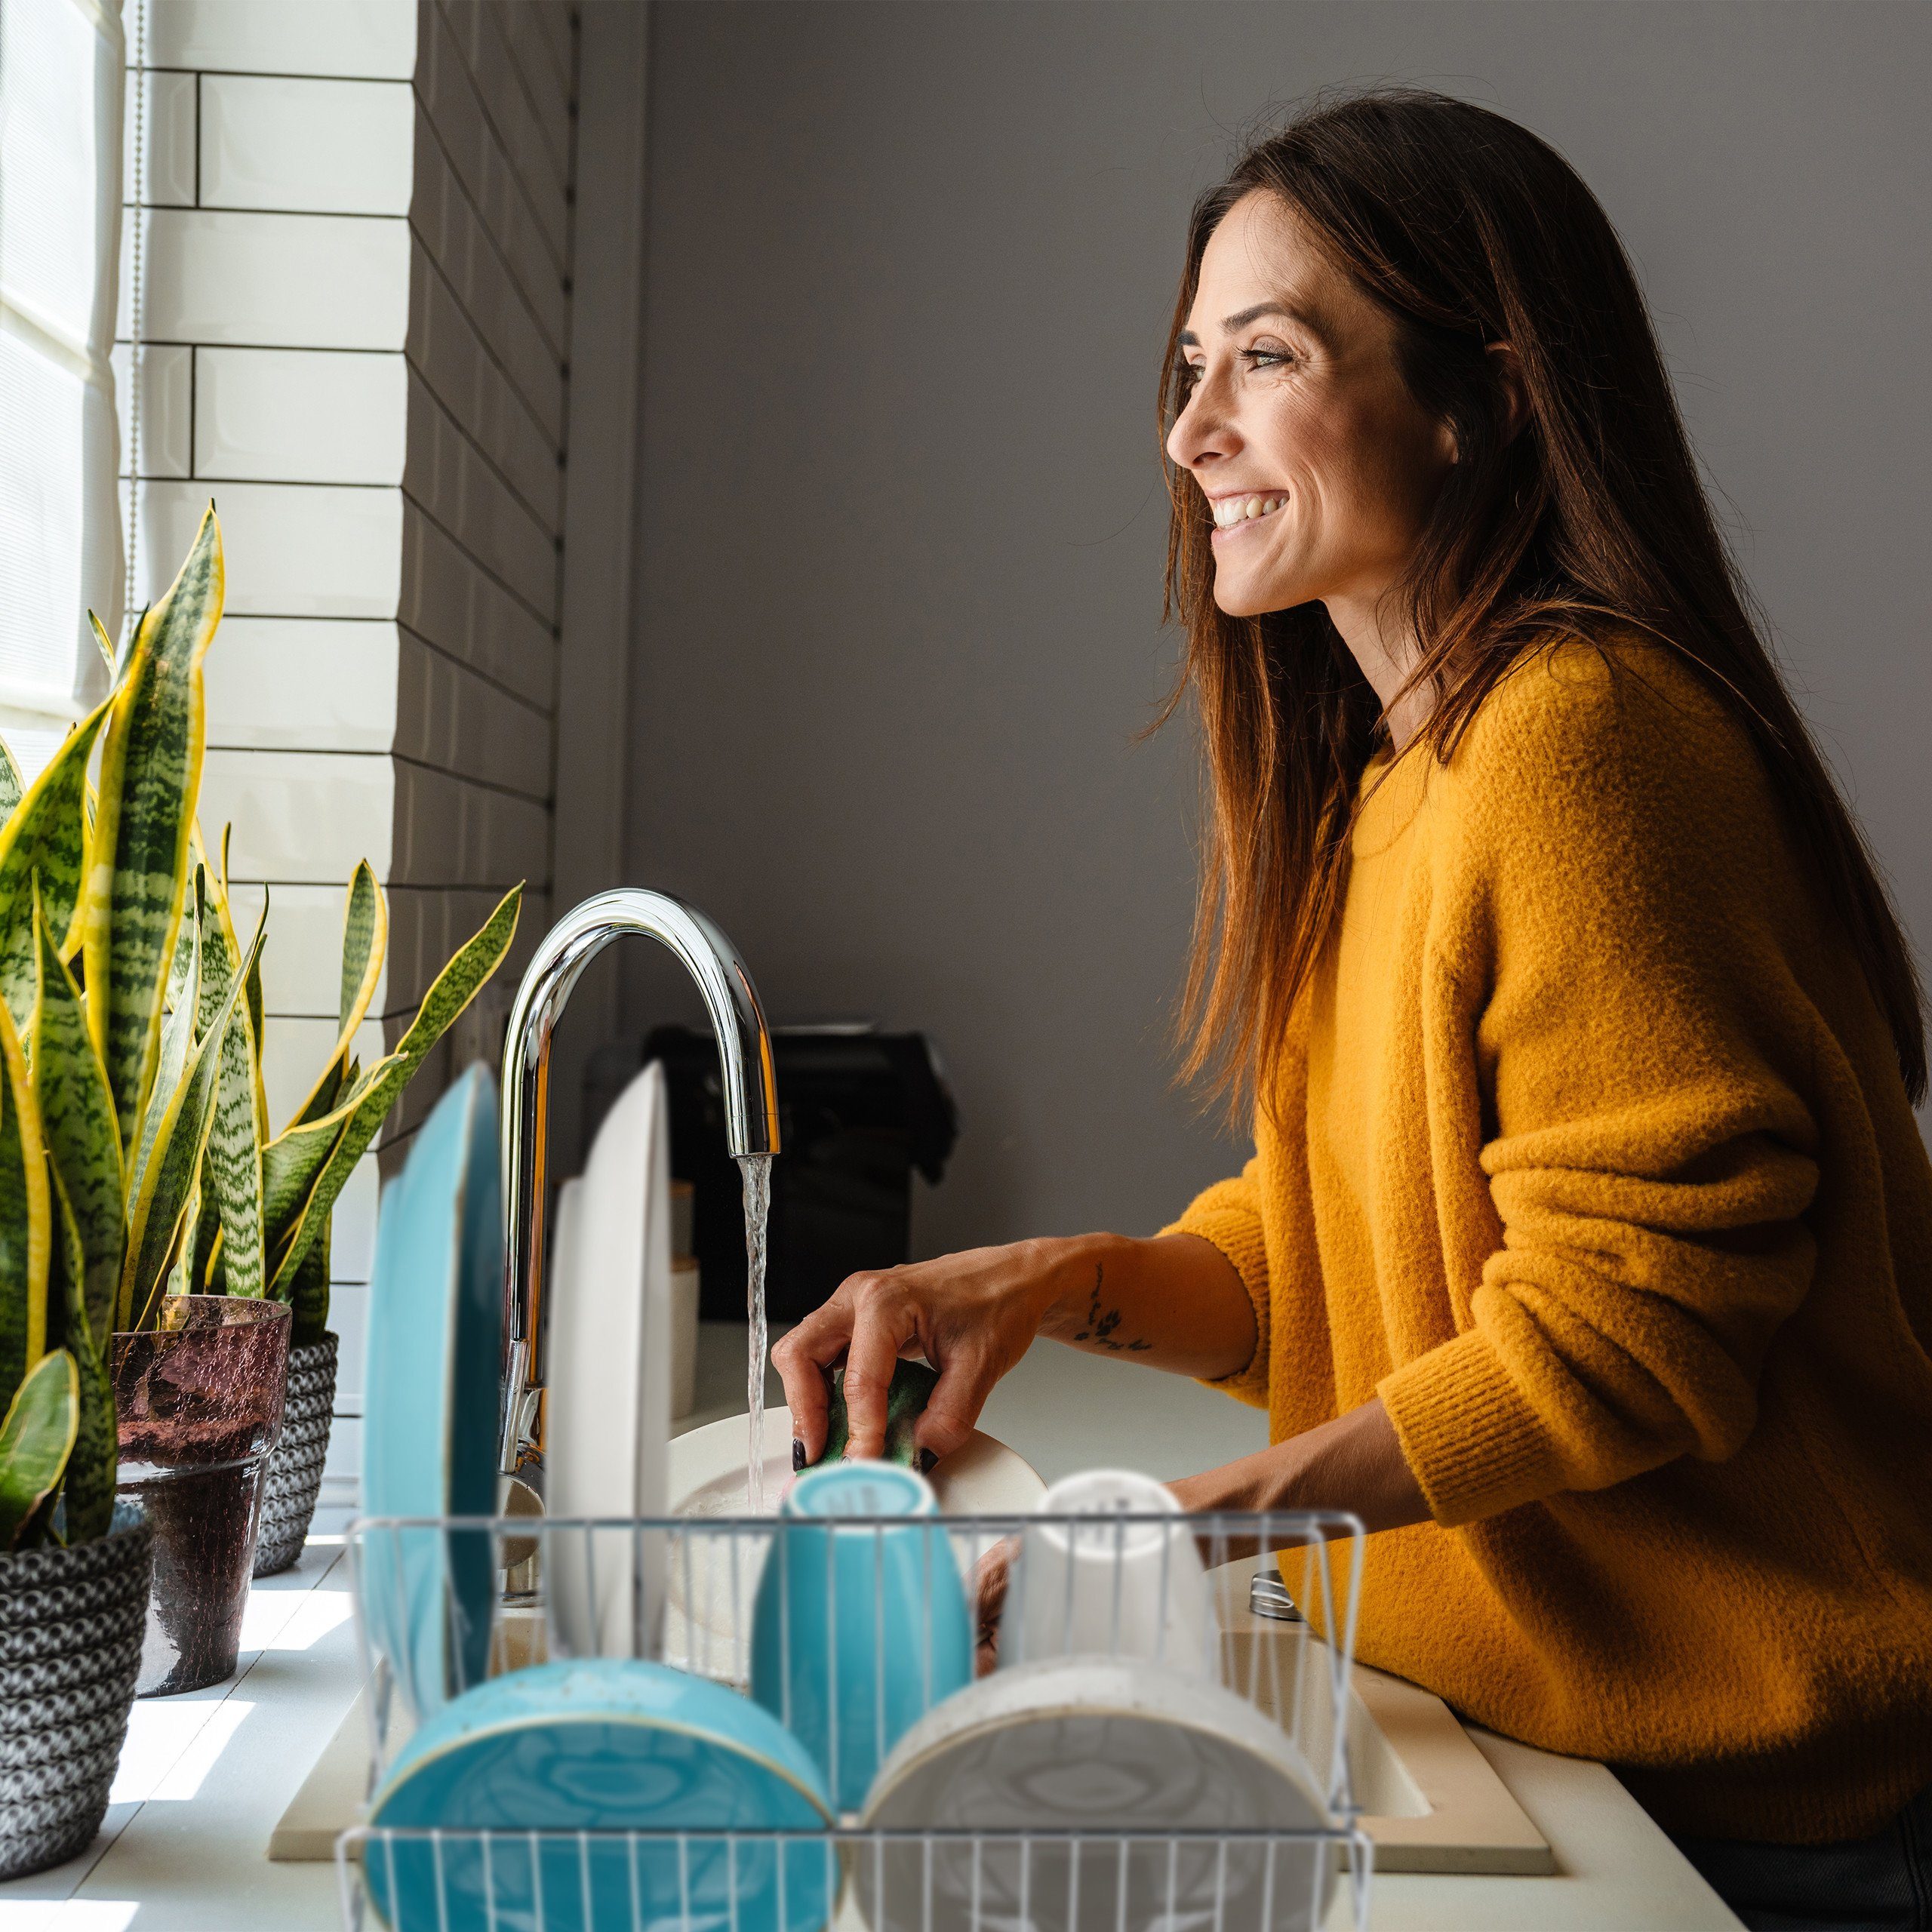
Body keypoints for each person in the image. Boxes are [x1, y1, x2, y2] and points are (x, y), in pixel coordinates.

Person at [770, 87, 1932, 1930]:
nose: (1188, 430)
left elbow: (1629, 1329)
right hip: (1566, 1740)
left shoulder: (1576, 740)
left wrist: (1157, 1538)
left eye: (1266, 356)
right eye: (1184, 363)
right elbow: (1339, 1245)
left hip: (1766, 1805)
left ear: (1479, 396)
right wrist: (1054, 1275)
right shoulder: (1401, 779)